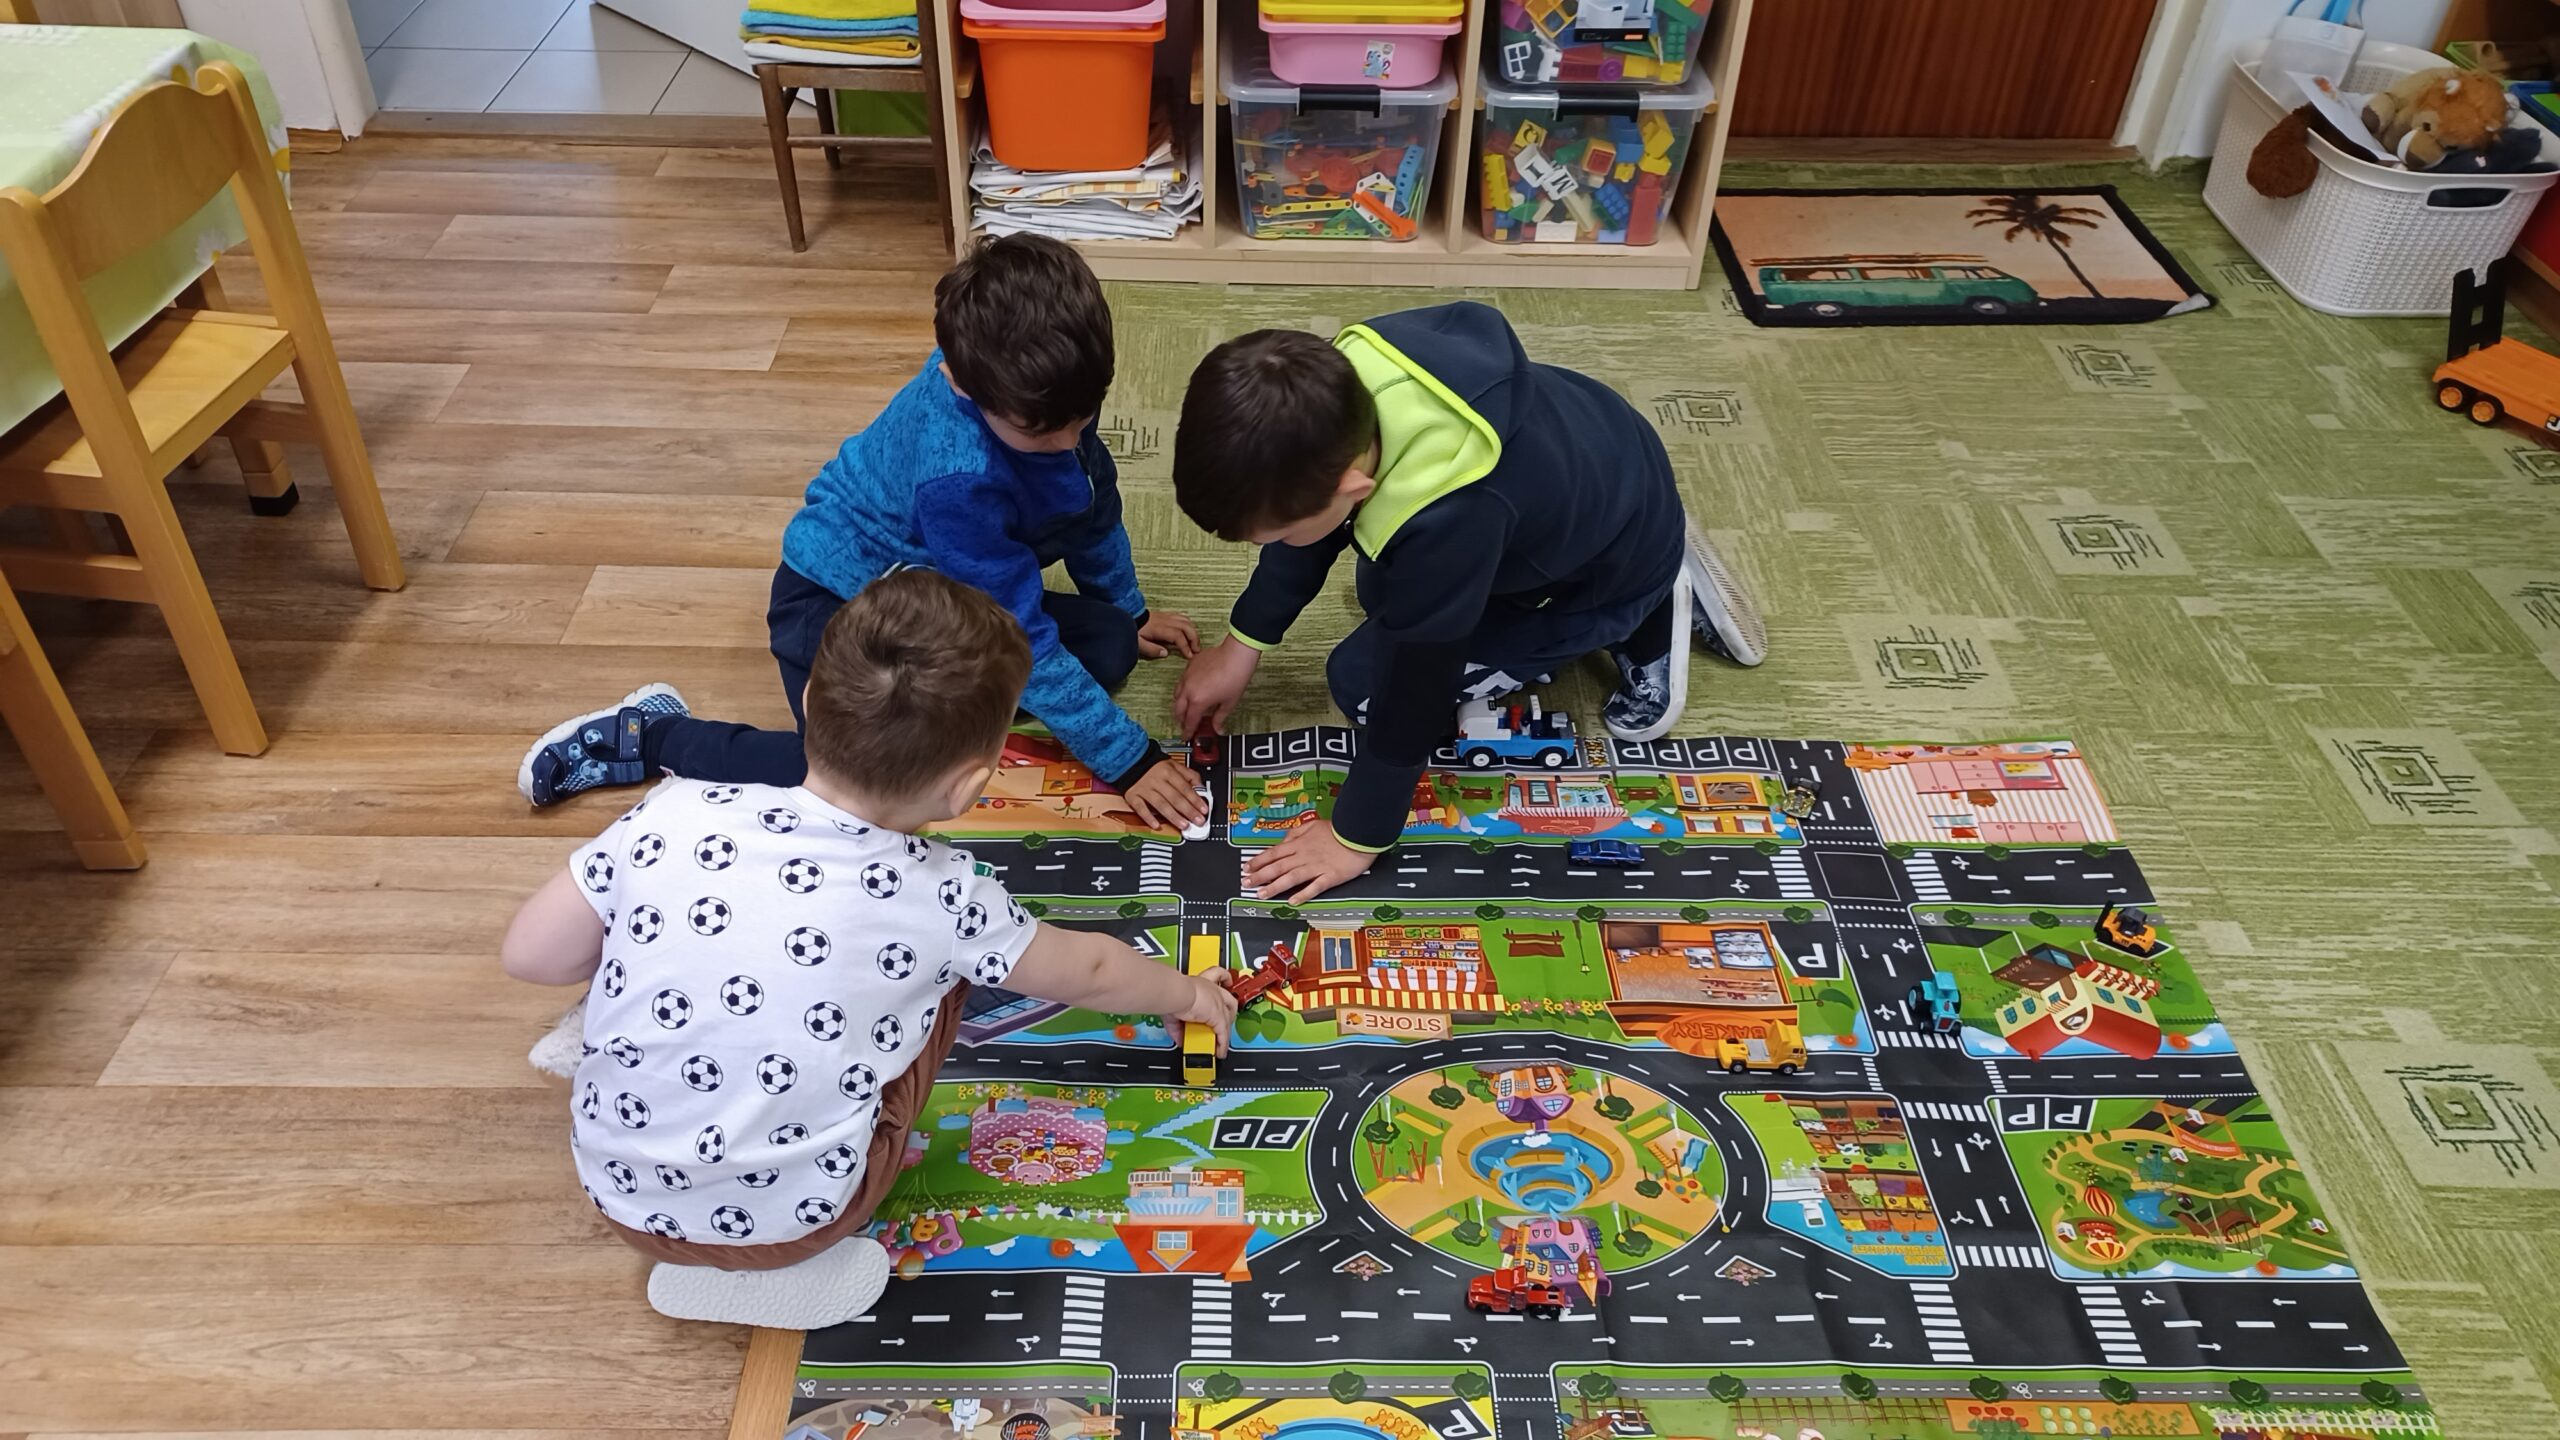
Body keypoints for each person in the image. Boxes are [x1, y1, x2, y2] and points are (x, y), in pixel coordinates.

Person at [500, 571, 1238, 1328]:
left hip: (619, 1200)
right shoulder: (944, 894)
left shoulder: (675, 808)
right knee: (957, 970)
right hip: (805, 1222)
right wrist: (1189, 994)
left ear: (810, 699)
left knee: (638, 926)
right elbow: (1090, 970)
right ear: (968, 788)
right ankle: (778, 1270)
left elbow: (531, 957)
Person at [516, 233, 1208, 832]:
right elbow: (1021, 629)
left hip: (939, 597)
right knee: (851, 782)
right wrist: (1131, 761)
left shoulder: (1047, 393)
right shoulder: (957, 475)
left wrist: (1128, 610)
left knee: (1110, 646)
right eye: (1041, 432)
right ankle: (653, 734)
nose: (1069, 444)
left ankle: (979, 694)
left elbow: (1091, 511)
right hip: (834, 605)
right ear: (960, 383)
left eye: (1083, 420)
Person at [1169, 302, 1765, 902]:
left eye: (1273, 536)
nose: (1267, 546)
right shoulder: (1343, 380)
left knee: (1363, 687)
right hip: (1603, 454)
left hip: (1603, 574)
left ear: (1355, 487)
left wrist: (1358, 834)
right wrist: (1242, 643)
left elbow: (1417, 686)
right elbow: (1311, 523)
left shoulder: (1455, 517)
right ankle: (1650, 537)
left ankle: (1651, 607)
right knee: (1382, 584)